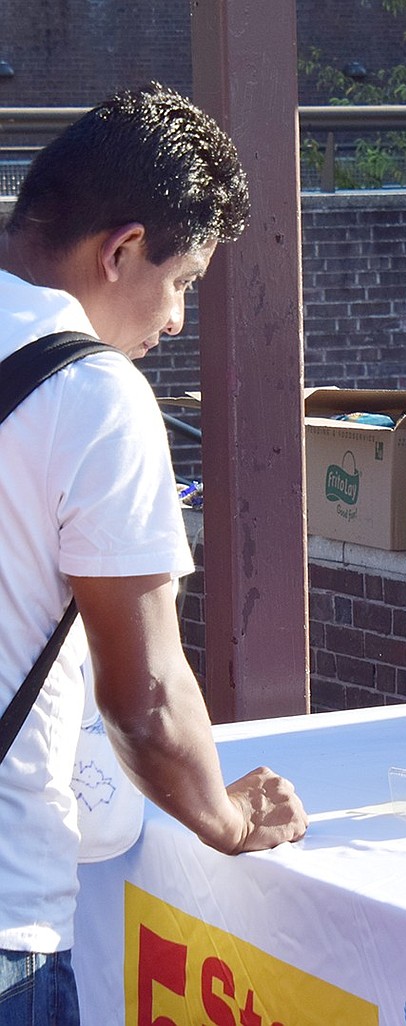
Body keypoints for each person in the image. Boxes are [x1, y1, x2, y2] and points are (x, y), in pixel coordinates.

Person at [0, 84, 307, 1025]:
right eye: (180, 284)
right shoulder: (93, 394)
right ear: (121, 249)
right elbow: (144, 696)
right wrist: (224, 817)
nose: (174, 321)